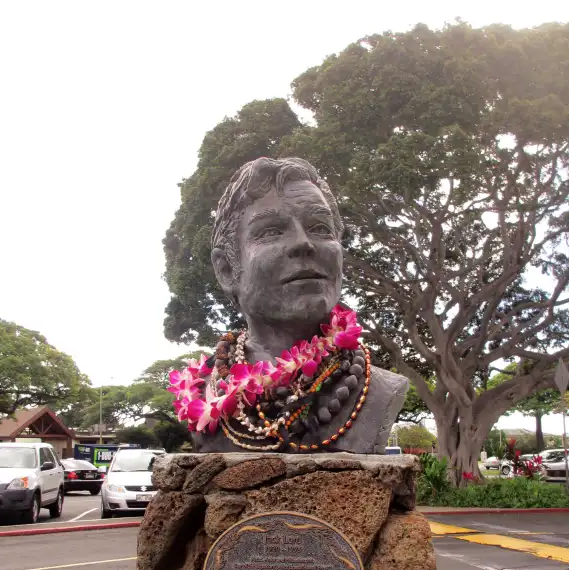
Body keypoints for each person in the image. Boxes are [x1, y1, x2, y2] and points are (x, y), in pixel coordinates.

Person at [170, 157, 408, 454]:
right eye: (270, 231)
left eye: (320, 227)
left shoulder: (379, 390)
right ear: (227, 270)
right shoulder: (201, 394)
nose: (304, 244)